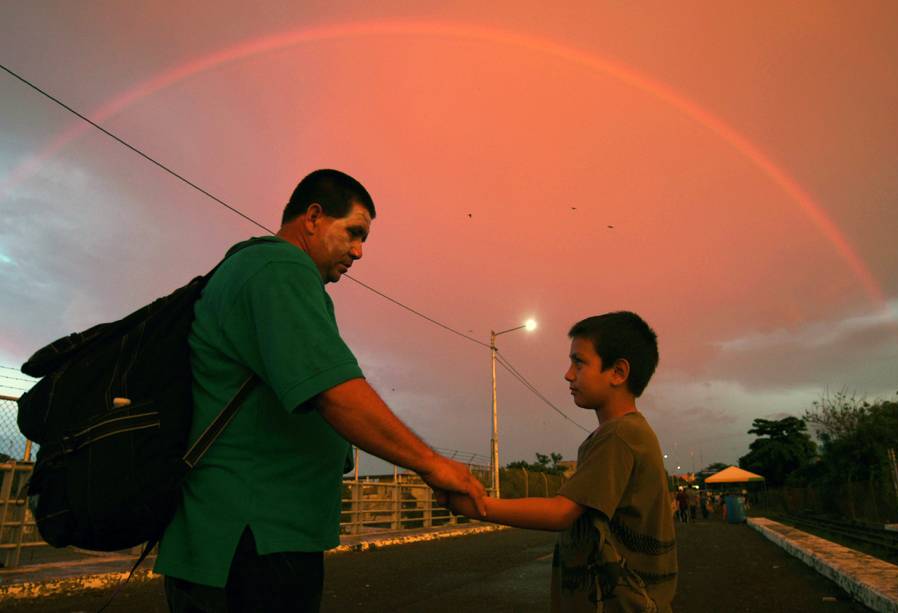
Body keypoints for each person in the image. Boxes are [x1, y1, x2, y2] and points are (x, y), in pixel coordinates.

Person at [154, 169, 486, 612]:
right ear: (312, 218)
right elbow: (335, 391)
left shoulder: (261, 270)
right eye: (353, 232)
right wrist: (432, 464)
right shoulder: (279, 268)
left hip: (249, 539)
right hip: (249, 541)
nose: (359, 251)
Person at [446, 311, 678, 612]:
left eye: (579, 362)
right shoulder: (623, 433)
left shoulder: (620, 435)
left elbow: (561, 512)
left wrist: (478, 505)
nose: (568, 374)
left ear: (618, 372)